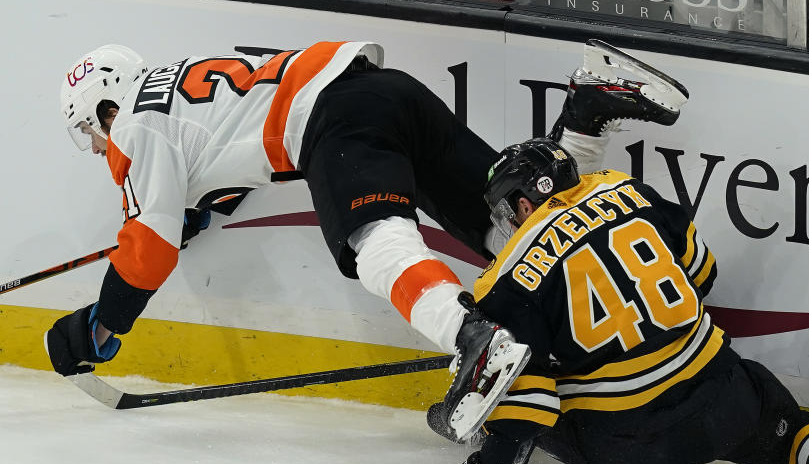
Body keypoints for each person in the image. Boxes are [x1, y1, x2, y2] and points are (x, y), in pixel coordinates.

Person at [45, 38, 687, 437]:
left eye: (92, 133)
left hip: (337, 125)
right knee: (516, 231)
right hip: (385, 92)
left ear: (104, 107)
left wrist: (101, 326)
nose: (101, 146)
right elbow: (229, 157)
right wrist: (196, 212)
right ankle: (588, 108)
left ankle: (476, 343)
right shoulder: (184, 80)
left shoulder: (134, 128)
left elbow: (146, 244)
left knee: (377, 242)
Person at [439, 137, 809, 464]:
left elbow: (528, 405)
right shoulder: (629, 191)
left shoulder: (503, 282)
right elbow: (702, 274)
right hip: (721, 398)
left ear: (523, 203)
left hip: (625, 443)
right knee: (783, 434)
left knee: (507, 380)